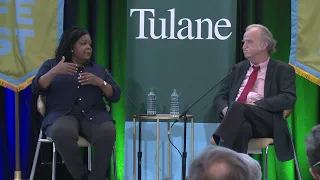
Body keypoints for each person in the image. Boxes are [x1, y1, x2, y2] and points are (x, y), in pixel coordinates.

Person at [32, 26, 120, 180]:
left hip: (94, 115)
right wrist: (54, 72)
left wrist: (100, 82)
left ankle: (96, 177)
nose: (88, 48)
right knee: (61, 131)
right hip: (62, 114)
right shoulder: (52, 65)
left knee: (108, 131)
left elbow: (115, 95)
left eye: (90, 45)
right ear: (72, 46)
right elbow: (37, 87)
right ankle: (84, 177)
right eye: (83, 43)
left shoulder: (98, 69)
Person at [211, 24, 296, 162]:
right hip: (238, 120)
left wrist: (256, 105)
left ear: (264, 45)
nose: (244, 46)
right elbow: (220, 97)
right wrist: (227, 110)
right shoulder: (237, 69)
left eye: (249, 41)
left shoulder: (283, 69)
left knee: (237, 107)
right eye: (243, 42)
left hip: (266, 121)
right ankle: (237, 175)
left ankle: (219, 155)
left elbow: (288, 98)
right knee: (242, 127)